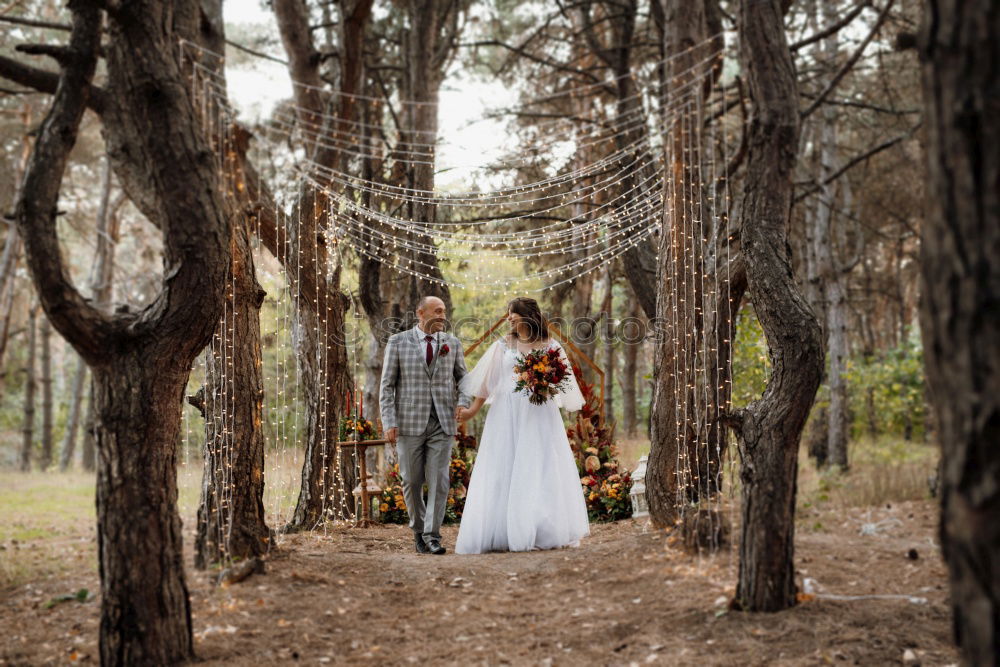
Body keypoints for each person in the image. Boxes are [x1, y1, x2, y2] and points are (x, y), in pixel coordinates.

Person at [455, 297, 589, 554]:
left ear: (526, 315)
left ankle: (541, 527)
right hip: (506, 413)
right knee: (503, 465)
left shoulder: (550, 345)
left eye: (512, 314)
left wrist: (545, 382)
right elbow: (487, 382)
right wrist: (472, 410)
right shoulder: (503, 345)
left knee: (538, 464)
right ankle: (503, 529)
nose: (509, 319)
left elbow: (562, 381)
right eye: (508, 315)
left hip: (539, 413)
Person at [379, 296, 470, 555]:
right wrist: (389, 421)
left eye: (444, 311)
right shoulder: (397, 343)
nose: (443, 315)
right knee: (411, 480)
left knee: (440, 481)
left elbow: (464, 379)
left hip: (442, 422)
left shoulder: (452, 343)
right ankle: (418, 531)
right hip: (408, 422)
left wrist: (462, 403)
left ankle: (433, 536)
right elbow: (386, 386)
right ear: (421, 313)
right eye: (437, 311)